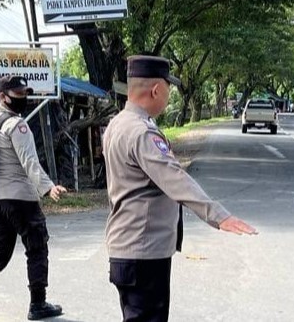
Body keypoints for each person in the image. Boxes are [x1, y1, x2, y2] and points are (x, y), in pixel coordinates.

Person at [104, 55, 258, 322]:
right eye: (168, 87)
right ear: (156, 90)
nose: (169, 93)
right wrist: (219, 215)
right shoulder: (141, 132)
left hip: (128, 247)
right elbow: (174, 178)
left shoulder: (117, 124)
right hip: (143, 251)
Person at [0, 75, 68, 322]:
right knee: (37, 247)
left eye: (24, 94)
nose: (23, 99)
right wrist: (48, 188)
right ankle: (38, 304)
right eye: (18, 95)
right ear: (2, 96)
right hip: (20, 197)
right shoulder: (18, 125)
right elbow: (30, 161)